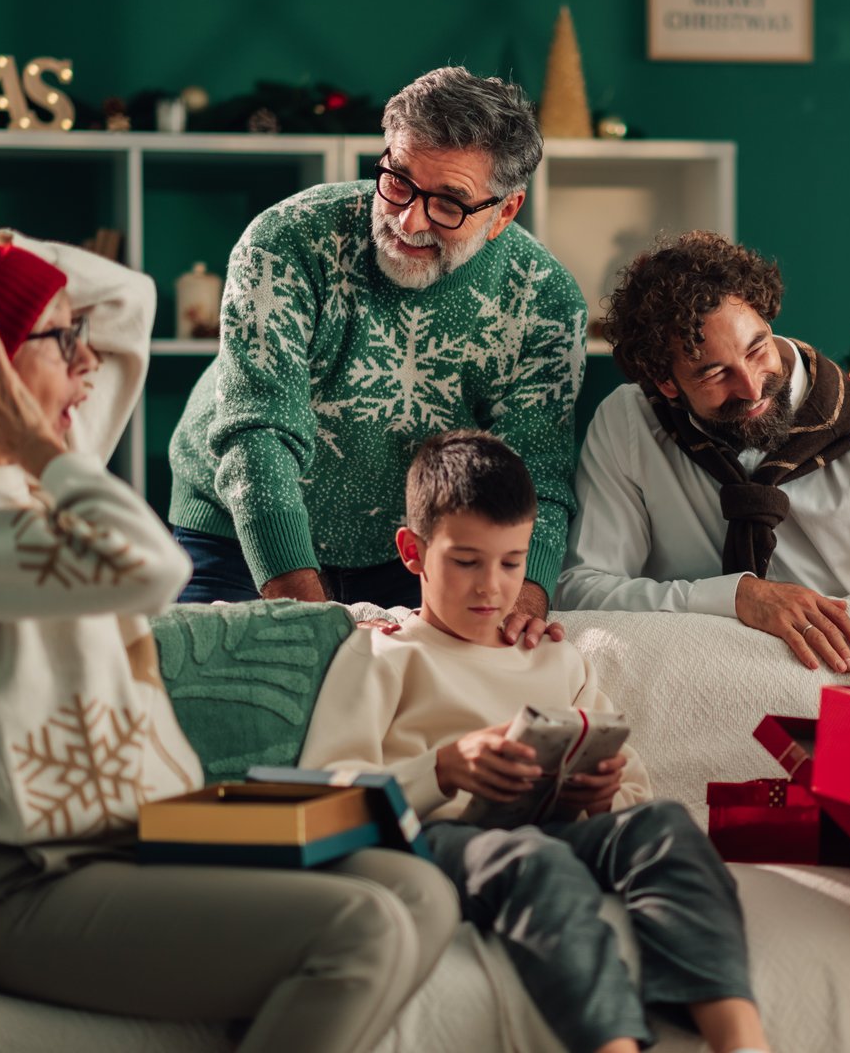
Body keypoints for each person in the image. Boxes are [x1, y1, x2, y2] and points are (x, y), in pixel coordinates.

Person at [0, 211, 458, 1053]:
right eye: (61, 340)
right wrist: (29, 436)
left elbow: (125, 296)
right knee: (366, 926)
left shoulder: (31, 470)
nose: (87, 359)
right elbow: (147, 568)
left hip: (146, 836)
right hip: (36, 881)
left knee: (418, 893)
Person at [299, 430, 771, 1053]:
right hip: (438, 843)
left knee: (664, 826)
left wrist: (600, 794)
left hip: (553, 825)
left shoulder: (555, 659)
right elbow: (323, 794)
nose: (491, 588)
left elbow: (632, 783)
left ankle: (741, 1039)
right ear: (412, 552)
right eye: (466, 562)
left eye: (511, 562)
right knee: (532, 858)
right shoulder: (383, 652)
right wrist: (441, 769)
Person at [166, 66, 585, 645]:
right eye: (398, 181)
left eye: (449, 204)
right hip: (236, 527)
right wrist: (311, 623)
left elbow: (536, 471)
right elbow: (257, 435)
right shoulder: (285, 240)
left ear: (505, 213)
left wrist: (526, 601)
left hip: (409, 547)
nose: (408, 220)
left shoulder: (545, 300)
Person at [558, 231, 850, 672]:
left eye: (757, 349)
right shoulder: (631, 421)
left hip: (836, 687)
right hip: (687, 687)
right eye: (714, 373)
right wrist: (735, 597)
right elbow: (582, 591)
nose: (751, 387)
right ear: (665, 382)